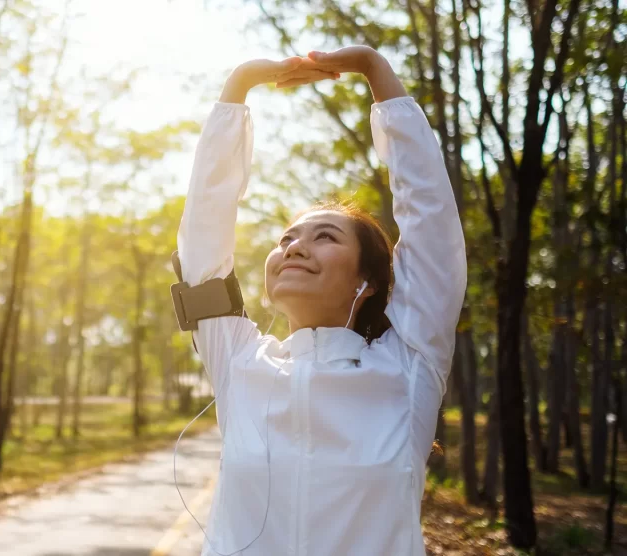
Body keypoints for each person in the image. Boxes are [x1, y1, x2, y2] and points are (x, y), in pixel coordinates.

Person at [176, 46, 467, 555]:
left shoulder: (408, 367)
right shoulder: (240, 360)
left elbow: (430, 218)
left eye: (325, 237)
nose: (294, 247)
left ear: (369, 281)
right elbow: (204, 225)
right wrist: (239, 86)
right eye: (286, 238)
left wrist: (374, 69)